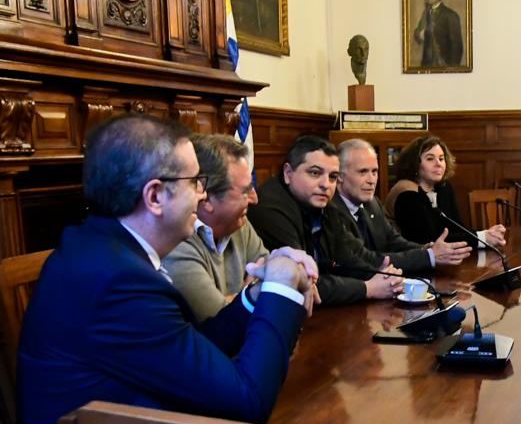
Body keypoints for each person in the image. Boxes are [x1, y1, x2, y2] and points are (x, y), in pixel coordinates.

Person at [15, 114, 352, 424]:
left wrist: (257, 297)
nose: (202, 194)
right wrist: (282, 288)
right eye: (194, 181)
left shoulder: (108, 250)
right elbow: (246, 400)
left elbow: (192, 348)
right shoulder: (118, 282)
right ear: (155, 196)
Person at [248, 135, 405, 303]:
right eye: (315, 173)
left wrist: (381, 276)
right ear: (288, 173)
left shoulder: (323, 205)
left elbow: (346, 259)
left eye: (332, 177)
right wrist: (368, 288)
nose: (326, 184)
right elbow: (302, 282)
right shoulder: (270, 210)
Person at [164, 134, 270, 321]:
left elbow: (273, 277)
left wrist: (240, 298)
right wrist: (252, 293)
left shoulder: (238, 223)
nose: (255, 199)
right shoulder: (175, 241)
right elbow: (219, 321)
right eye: (245, 191)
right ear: (206, 198)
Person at [335, 138, 472, 268]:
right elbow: (367, 259)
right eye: (363, 172)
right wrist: (428, 256)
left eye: (374, 172)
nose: (372, 180)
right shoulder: (331, 211)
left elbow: (393, 241)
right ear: (339, 175)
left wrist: (427, 249)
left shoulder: (372, 203)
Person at [385, 134, 506, 248]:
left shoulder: (443, 187)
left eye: (441, 159)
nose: (438, 164)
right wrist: (482, 238)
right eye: (430, 159)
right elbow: (429, 240)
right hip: (411, 262)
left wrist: (487, 234)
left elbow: (456, 228)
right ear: (415, 164)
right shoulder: (406, 193)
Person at [413, 0, 463, 67]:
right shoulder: (426, 13)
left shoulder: (451, 16)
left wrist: (452, 71)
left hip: (443, 67)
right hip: (426, 67)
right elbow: (417, 32)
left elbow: (457, 48)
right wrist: (419, 35)